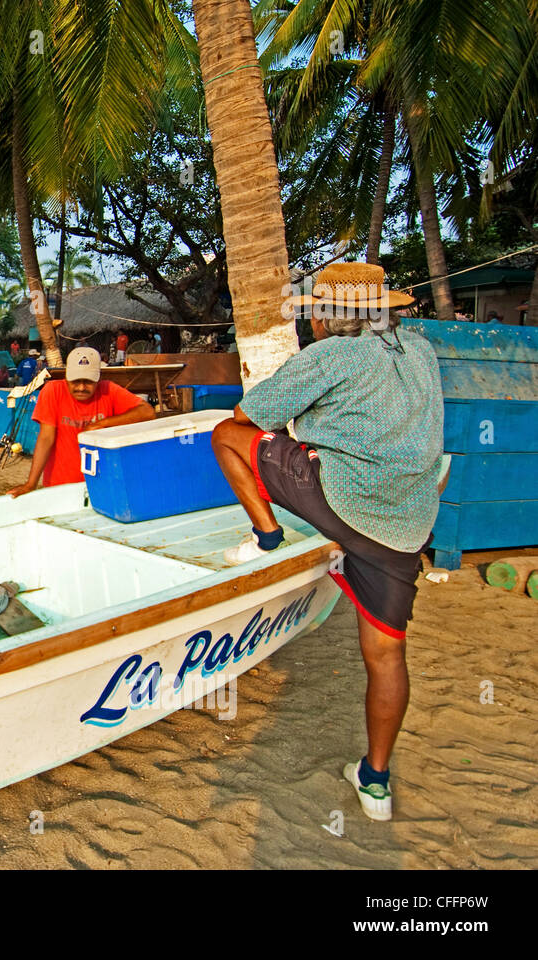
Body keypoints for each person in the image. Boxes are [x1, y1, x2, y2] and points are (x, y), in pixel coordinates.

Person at [209, 262, 443, 822]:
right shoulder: (420, 350)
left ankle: (266, 536)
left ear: (329, 316)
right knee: (386, 653)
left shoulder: (332, 355)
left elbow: (249, 415)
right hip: (406, 523)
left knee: (225, 436)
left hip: (347, 499)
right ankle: (376, 780)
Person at [8, 346, 155, 496]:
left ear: (98, 379)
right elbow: (46, 437)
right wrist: (31, 483)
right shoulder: (52, 391)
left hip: (102, 484)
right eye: (76, 381)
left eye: (89, 382)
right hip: (59, 485)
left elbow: (147, 412)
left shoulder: (108, 390)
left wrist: (102, 424)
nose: (81, 387)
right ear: (66, 377)